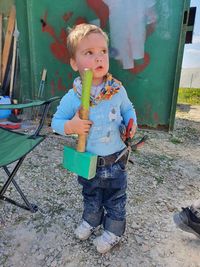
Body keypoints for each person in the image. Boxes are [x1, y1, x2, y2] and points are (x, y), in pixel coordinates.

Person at [51, 23, 137, 253]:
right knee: (90, 194)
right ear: (73, 62)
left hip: (116, 160)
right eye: (89, 53)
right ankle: (91, 220)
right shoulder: (74, 97)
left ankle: (114, 231)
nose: (98, 58)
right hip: (88, 161)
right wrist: (72, 125)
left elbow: (128, 109)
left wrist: (132, 123)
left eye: (103, 51)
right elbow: (56, 123)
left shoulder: (117, 90)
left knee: (116, 198)